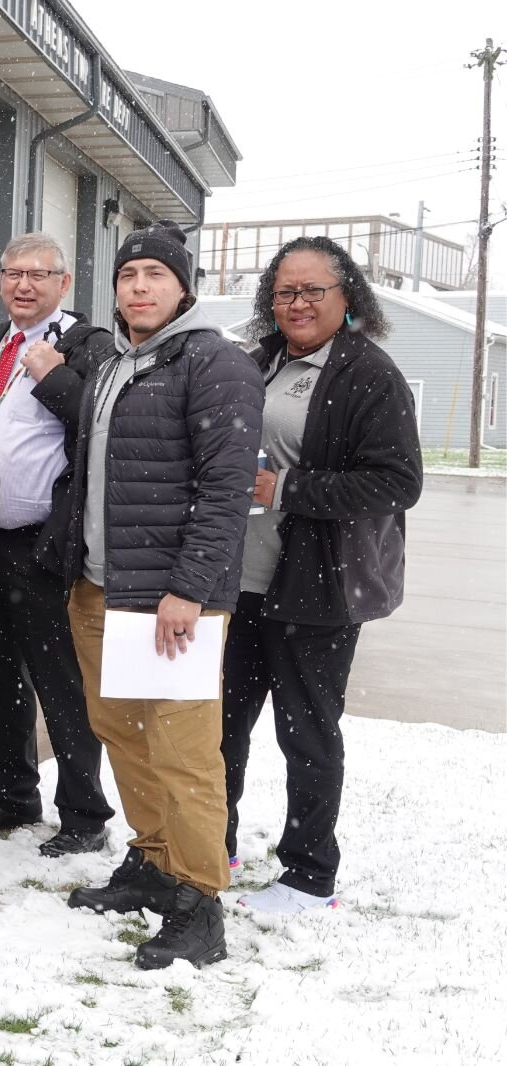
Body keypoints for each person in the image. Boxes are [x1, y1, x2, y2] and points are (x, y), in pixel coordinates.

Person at [57, 221, 263, 970]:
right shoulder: (118, 363)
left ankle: (201, 901)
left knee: (183, 753)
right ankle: (151, 860)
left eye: (154, 274)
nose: (138, 287)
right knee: (123, 734)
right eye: (127, 275)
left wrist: (187, 589)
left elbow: (225, 490)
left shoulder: (215, 363)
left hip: (171, 603)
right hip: (103, 590)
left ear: (184, 287)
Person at [222, 237, 422, 913]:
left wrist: (285, 489)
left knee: (305, 733)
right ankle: (211, 843)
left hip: (317, 588)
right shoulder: (260, 363)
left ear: (347, 297)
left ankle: (309, 873)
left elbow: (396, 482)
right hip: (238, 584)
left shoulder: (369, 374)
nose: (298, 303)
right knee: (220, 728)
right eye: (285, 292)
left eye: (313, 290)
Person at [0, 234, 115, 856]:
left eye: (38, 275)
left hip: (43, 545)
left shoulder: (89, 344)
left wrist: (55, 377)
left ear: (64, 282)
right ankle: (9, 796)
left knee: (61, 683)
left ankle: (83, 815)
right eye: (12, 273)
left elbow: (100, 425)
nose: (24, 285)